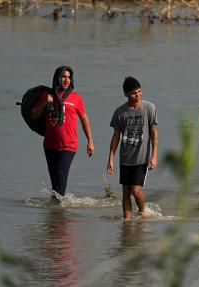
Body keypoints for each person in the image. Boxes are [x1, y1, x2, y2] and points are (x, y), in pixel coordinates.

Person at [31, 66, 94, 199]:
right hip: (50, 145)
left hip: (69, 145)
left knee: (60, 173)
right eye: (63, 77)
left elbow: (84, 119)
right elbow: (34, 115)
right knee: (54, 179)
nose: (66, 80)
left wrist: (90, 141)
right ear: (57, 78)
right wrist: (44, 103)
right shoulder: (47, 96)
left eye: (69, 77)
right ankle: (56, 212)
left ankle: (58, 207)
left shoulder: (76, 97)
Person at [107, 77, 158, 220]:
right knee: (125, 191)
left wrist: (154, 155)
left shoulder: (149, 108)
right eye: (134, 93)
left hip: (141, 157)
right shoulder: (120, 112)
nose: (138, 95)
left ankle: (142, 212)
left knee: (135, 189)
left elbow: (154, 133)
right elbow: (116, 136)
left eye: (139, 91)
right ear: (126, 94)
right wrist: (111, 158)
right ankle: (127, 221)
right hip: (125, 159)